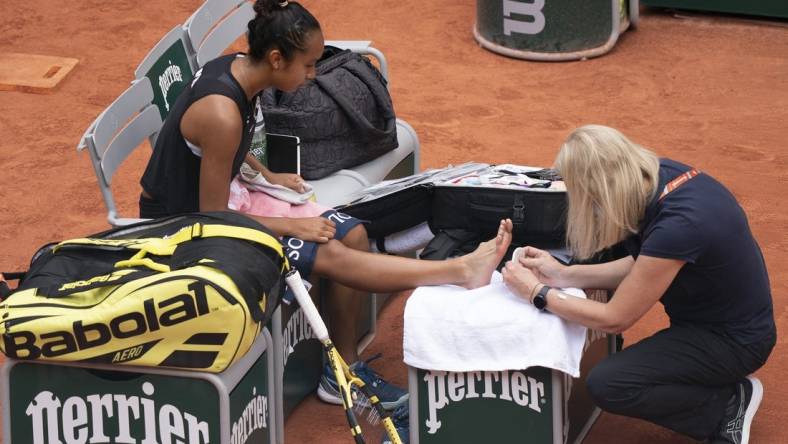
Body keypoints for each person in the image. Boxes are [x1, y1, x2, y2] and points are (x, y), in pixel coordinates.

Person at [137, 0, 511, 436]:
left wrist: (269, 173)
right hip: (182, 228)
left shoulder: (239, 71)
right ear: (276, 59)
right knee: (329, 253)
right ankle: (458, 270)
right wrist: (291, 226)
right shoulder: (220, 111)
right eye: (309, 65)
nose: (313, 75)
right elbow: (212, 217)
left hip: (227, 201)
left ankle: (342, 372)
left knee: (349, 236)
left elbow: (226, 153)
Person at [500, 125, 776, 444]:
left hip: (733, 343)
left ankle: (724, 407)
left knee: (610, 383)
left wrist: (537, 293)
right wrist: (564, 274)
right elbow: (646, 263)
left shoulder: (681, 224)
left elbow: (616, 317)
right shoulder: (661, 177)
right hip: (713, 326)